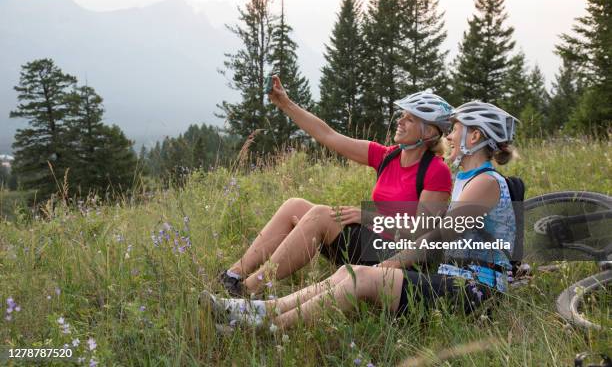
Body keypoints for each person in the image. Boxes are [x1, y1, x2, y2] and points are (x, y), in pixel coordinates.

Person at [203, 101, 520, 330]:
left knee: (360, 276)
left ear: (474, 138)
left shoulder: (485, 183)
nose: (449, 137)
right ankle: (254, 309)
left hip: (477, 295)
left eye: (456, 130)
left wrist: (385, 264)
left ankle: (264, 327)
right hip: (452, 282)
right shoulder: (468, 180)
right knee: (349, 273)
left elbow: (434, 239)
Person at [217, 75, 454, 297]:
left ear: (429, 132)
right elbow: (328, 136)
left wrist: (369, 216)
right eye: (402, 115)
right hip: (368, 241)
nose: (400, 121)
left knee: (320, 214)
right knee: (295, 206)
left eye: (409, 119)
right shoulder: (387, 156)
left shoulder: (436, 171)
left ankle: (249, 289)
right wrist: (286, 104)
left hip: (392, 257)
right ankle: (232, 275)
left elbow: (423, 233)